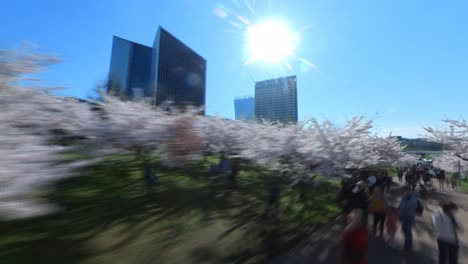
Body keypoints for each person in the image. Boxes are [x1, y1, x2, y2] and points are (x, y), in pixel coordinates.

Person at [398, 187, 419, 251]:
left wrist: (406, 209)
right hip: (404, 215)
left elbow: (414, 207)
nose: (402, 193)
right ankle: (409, 243)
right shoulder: (404, 197)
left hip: (410, 216)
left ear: (407, 191)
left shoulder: (413, 198)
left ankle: (407, 245)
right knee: (404, 229)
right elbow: (401, 205)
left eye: (403, 191)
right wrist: (399, 211)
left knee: (407, 230)